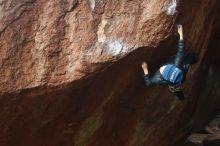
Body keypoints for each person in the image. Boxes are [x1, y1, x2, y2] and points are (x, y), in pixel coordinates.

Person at [141, 24, 197, 100]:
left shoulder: (158, 79)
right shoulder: (176, 66)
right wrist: (181, 34)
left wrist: (145, 69)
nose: (163, 67)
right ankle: (181, 97)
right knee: (187, 61)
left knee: (175, 89)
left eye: (163, 68)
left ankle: (181, 97)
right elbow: (181, 50)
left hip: (176, 79)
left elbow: (149, 83)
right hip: (180, 75)